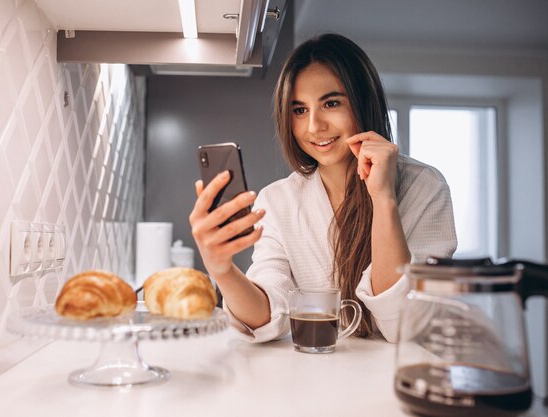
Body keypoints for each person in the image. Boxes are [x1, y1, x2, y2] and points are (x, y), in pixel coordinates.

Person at [188, 33, 457, 343]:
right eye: (299, 110)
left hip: (402, 379)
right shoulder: (278, 200)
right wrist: (220, 269)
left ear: (363, 102)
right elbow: (266, 314)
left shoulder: (425, 188)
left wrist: (384, 200)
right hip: (318, 379)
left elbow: (403, 325)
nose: (314, 126)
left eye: (331, 103)